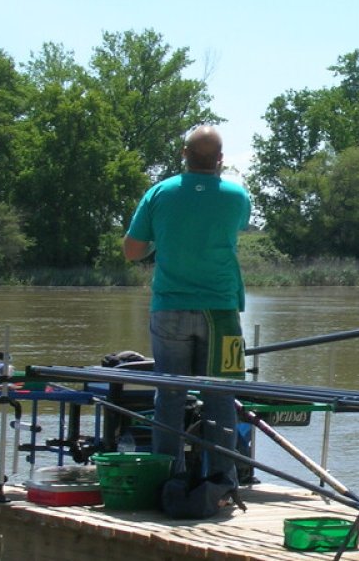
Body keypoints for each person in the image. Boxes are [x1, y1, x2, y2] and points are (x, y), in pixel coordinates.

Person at [123, 125, 251, 489]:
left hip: (169, 307)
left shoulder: (159, 193)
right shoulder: (236, 195)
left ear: (183, 154)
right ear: (221, 160)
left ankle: (167, 476)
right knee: (221, 395)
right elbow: (235, 226)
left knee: (169, 394)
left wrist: (159, 239)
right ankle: (222, 483)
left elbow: (133, 251)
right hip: (221, 311)